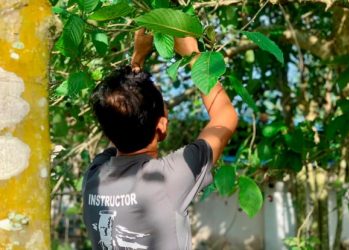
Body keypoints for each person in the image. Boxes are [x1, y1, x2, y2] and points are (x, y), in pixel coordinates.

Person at [82, 29, 238, 250]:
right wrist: (193, 54)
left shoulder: (94, 177)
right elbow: (226, 117)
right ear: (161, 128)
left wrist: (137, 60)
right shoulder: (168, 178)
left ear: (108, 133)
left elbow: (119, 116)